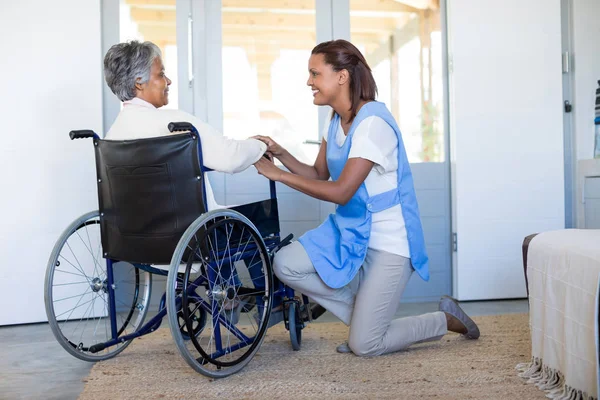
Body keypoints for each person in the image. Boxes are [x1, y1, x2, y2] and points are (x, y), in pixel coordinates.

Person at [253, 39, 480, 356]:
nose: (309, 81)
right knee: (285, 263)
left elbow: (342, 191)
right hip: (349, 231)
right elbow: (320, 174)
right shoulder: (335, 120)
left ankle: (443, 320)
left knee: (365, 345)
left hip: (389, 242)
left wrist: (278, 175)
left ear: (342, 76)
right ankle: (365, 318)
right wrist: (281, 153)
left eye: (315, 74)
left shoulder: (372, 124)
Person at [103, 40, 267, 210]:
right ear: (139, 82)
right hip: (195, 230)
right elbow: (231, 158)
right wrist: (261, 145)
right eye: (161, 74)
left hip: (136, 232)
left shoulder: (112, 136)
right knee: (262, 214)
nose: (168, 81)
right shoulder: (174, 124)